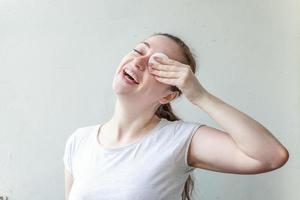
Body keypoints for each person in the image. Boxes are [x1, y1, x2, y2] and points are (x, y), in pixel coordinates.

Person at [63, 32, 289, 200]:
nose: (139, 62)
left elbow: (272, 155)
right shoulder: (79, 141)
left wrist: (200, 96)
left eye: (156, 65)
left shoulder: (179, 139)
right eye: (139, 50)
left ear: (168, 96)